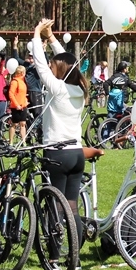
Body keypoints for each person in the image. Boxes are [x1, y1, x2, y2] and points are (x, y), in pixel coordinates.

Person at [30, 19, 87, 246]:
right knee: (71, 206)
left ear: (60, 72)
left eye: (55, 67)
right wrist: (51, 37)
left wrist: (36, 34)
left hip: (57, 153)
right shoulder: (79, 89)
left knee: (54, 204)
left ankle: (54, 256)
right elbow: (69, 63)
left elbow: (40, 65)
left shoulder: (57, 88)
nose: (51, 69)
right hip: (76, 153)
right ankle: (76, 255)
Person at [8, 65, 29, 144]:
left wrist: (26, 101)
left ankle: (23, 141)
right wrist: (16, 104)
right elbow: (11, 94)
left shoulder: (23, 82)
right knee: (14, 124)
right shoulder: (15, 81)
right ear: (22, 72)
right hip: (16, 106)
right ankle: (11, 141)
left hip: (23, 106)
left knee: (23, 124)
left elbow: (23, 94)